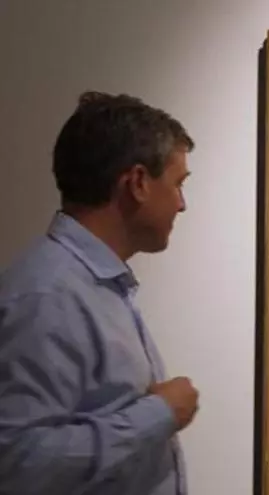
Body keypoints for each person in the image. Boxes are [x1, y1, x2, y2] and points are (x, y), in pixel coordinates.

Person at [0, 91, 199, 494]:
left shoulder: (91, 287)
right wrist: (159, 414)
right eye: (177, 184)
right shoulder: (48, 296)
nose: (182, 204)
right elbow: (17, 464)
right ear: (138, 183)